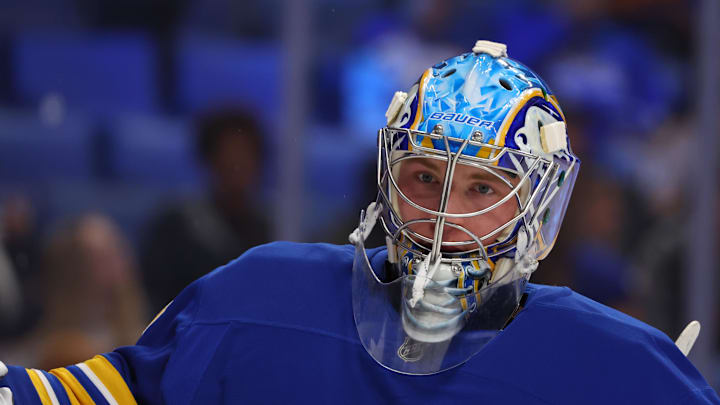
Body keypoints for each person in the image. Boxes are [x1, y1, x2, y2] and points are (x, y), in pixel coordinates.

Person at [1, 40, 718, 404]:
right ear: (385, 175)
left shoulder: (623, 371)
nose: (443, 215)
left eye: (482, 187)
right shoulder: (257, 298)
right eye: (424, 177)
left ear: (544, 204)